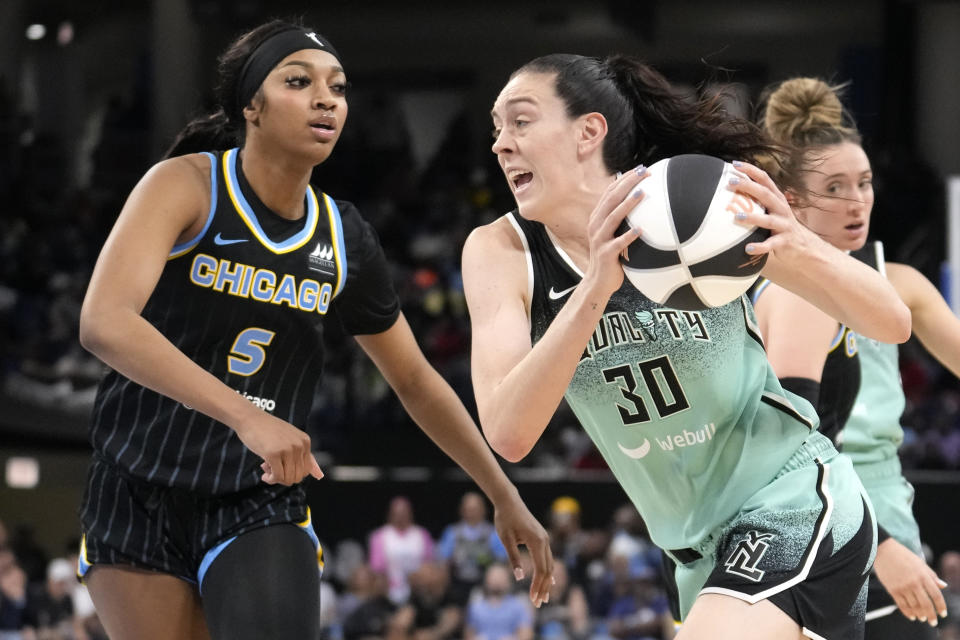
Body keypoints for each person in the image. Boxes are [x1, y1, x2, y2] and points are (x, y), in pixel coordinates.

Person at [75, 19, 553, 640]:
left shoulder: (343, 235)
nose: (326, 99)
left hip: (257, 493)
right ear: (251, 105)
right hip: (136, 482)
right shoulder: (186, 186)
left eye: (338, 87)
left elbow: (412, 378)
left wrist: (502, 492)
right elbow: (103, 321)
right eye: (298, 82)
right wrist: (246, 415)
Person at [462, 53, 913, 640]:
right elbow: (507, 433)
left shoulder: (691, 201)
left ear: (587, 132)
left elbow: (892, 321)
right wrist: (596, 286)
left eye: (520, 122)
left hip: (793, 500)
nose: (501, 144)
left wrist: (795, 242)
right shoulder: (501, 251)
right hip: (696, 550)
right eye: (496, 127)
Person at [755, 76, 957, 637]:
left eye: (864, 184)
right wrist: (883, 546)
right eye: (836, 187)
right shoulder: (769, 288)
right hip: (811, 504)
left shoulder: (899, 281)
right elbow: (794, 440)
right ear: (790, 198)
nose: (857, 201)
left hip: (882, 499)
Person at [435, 491, 508, 605]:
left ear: (484, 510)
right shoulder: (452, 532)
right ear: (461, 510)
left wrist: (486, 560)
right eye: (468, 509)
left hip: (484, 583)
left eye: (475, 509)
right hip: (457, 583)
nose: (472, 513)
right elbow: (442, 560)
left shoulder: (493, 533)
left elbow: (502, 561)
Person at [369, 496, 435, 605]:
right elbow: (376, 569)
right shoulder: (380, 535)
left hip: (418, 590)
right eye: (397, 513)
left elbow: (429, 565)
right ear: (390, 515)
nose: (400, 516)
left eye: (404, 513)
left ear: (410, 514)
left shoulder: (422, 534)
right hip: (389, 590)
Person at [464, 563, 535, 640]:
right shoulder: (476, 607)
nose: (497, 581)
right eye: (494, 577)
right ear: (486, 580)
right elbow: (468, 634)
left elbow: (526, 633)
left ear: (508, 581)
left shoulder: (518, 606)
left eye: (501, 577)